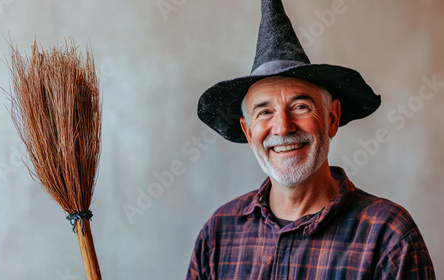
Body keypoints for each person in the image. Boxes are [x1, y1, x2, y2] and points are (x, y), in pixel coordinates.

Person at [186, 0, 435, 279]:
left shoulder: (388, 237)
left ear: (331, 118)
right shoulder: (219, 233)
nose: (282, 127)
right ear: (247, 132)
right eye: (265, 112)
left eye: (300, 107)